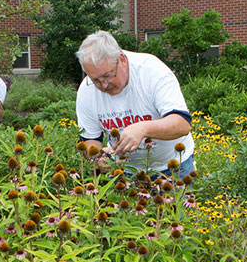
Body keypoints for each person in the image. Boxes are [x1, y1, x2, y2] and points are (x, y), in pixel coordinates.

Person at [74, 30, 195, 179]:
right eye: (96, 80)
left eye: (107, 76)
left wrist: (143, 128)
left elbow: (182, 124)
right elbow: (90, 138)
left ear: (122, 60)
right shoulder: (87, 90)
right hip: (124, 171)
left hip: (173, 167)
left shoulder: (152, 72)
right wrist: (97, 157)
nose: (104, 85)